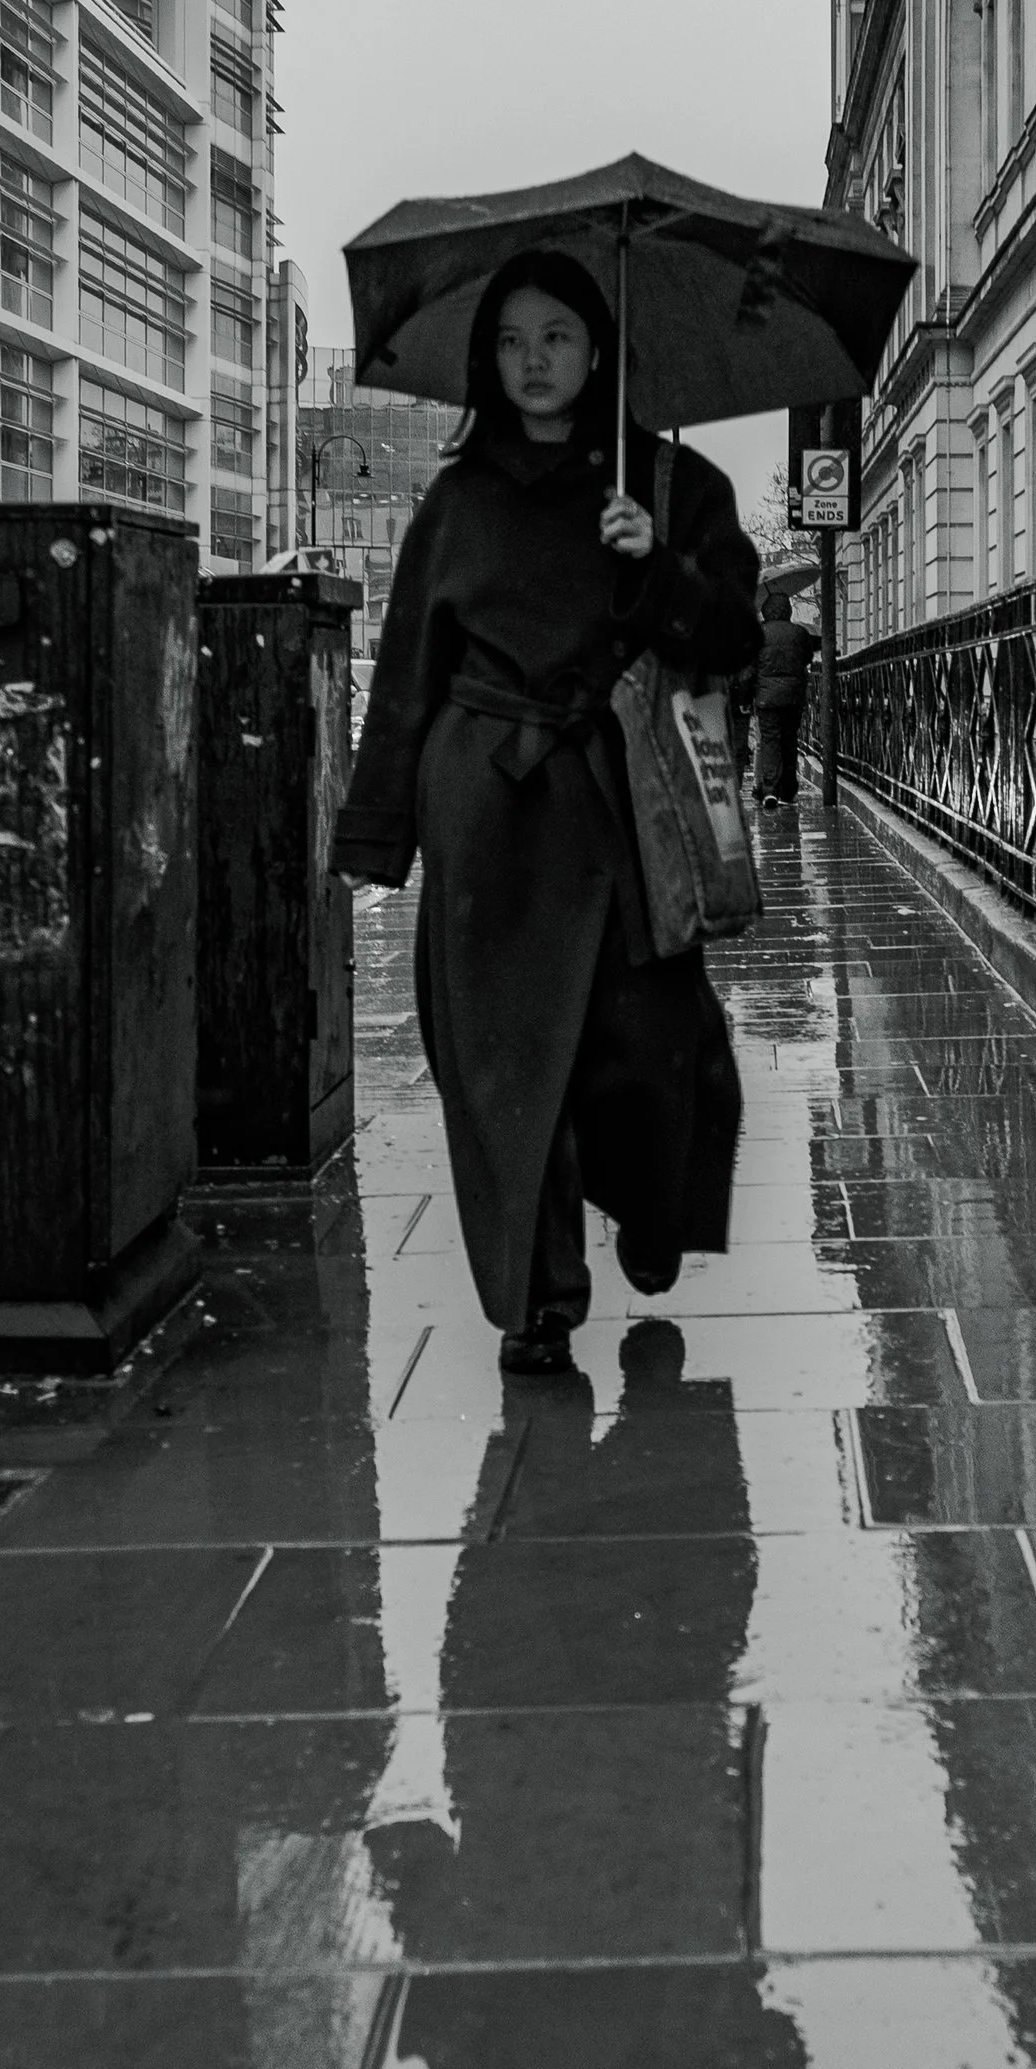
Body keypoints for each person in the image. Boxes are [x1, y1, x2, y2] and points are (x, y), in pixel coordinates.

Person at [328, 250, 762, 1375]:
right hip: (488, 810)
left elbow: (735, 642)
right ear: (486, 357)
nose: (534, 361)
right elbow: (408, 672)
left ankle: (653, 1211)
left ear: (598, 350)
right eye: (513, 340)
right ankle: (538, 1300)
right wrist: (379, 830)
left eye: (557, 337)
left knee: (656, 1043)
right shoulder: (457, 499)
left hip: (625, 801)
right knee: (505, 1066)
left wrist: (657, 564)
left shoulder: (671, 487)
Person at [753, 587, 817, 806]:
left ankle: (770, 788)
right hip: (793, 696)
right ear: (788, 610)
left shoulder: (759, 633)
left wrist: (747, 695)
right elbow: (807, 657)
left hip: (766, 698)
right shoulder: (799, 633)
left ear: (766, 611)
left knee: (770, 741)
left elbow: (751, 667)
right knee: (790, 741)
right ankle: (789, 790)